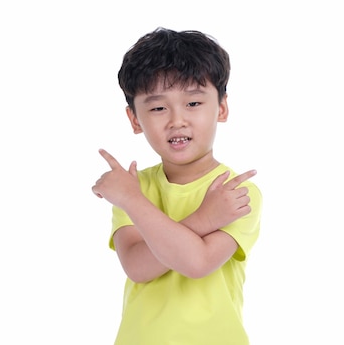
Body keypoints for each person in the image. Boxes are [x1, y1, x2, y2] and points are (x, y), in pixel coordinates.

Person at [92, 27, 263, 345]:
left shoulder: (235, 191)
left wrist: (133, 200)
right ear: (135, 120)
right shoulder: (136, 188)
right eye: (157, 108)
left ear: (221, 108)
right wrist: (132, 197)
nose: (176, 120)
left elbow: (196, 263)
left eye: (194, 103)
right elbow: (138, 267)